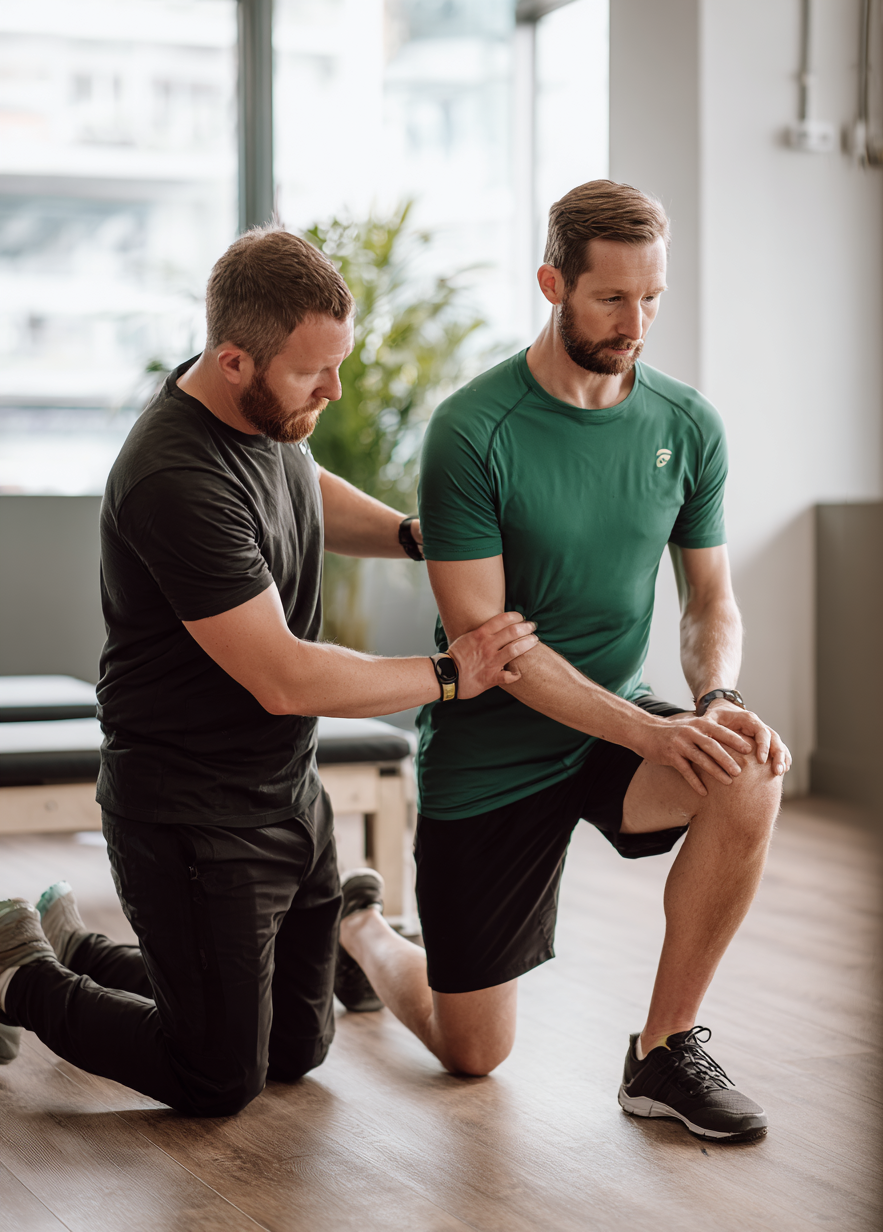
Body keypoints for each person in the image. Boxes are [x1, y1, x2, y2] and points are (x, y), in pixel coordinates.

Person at [0, 227, 537, 1116]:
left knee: (300, 1047)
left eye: (338, 366)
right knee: (218, 1077)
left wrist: (414, 536)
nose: (333, 390)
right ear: (235, 358)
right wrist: (451, 673)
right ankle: (20, 971)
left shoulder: (253, 403)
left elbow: (304, 483)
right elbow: (285, 677)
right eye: (313, 374)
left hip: (288, 790)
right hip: (192, 816)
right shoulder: (172, 476)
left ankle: (87, 953)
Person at [336, 181, 791, 1144]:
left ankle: (663, 1053)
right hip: (491, 752)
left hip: (609, 724)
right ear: (553, 283)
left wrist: (716, 699)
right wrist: (652, 728)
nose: (638, 323)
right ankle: (362, 928)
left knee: (744, 769)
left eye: (653, 298)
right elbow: (491, 649)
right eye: (612, 299)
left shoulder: (687, 425)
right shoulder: (473, 432)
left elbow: (710, 599)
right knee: (475, 1056)